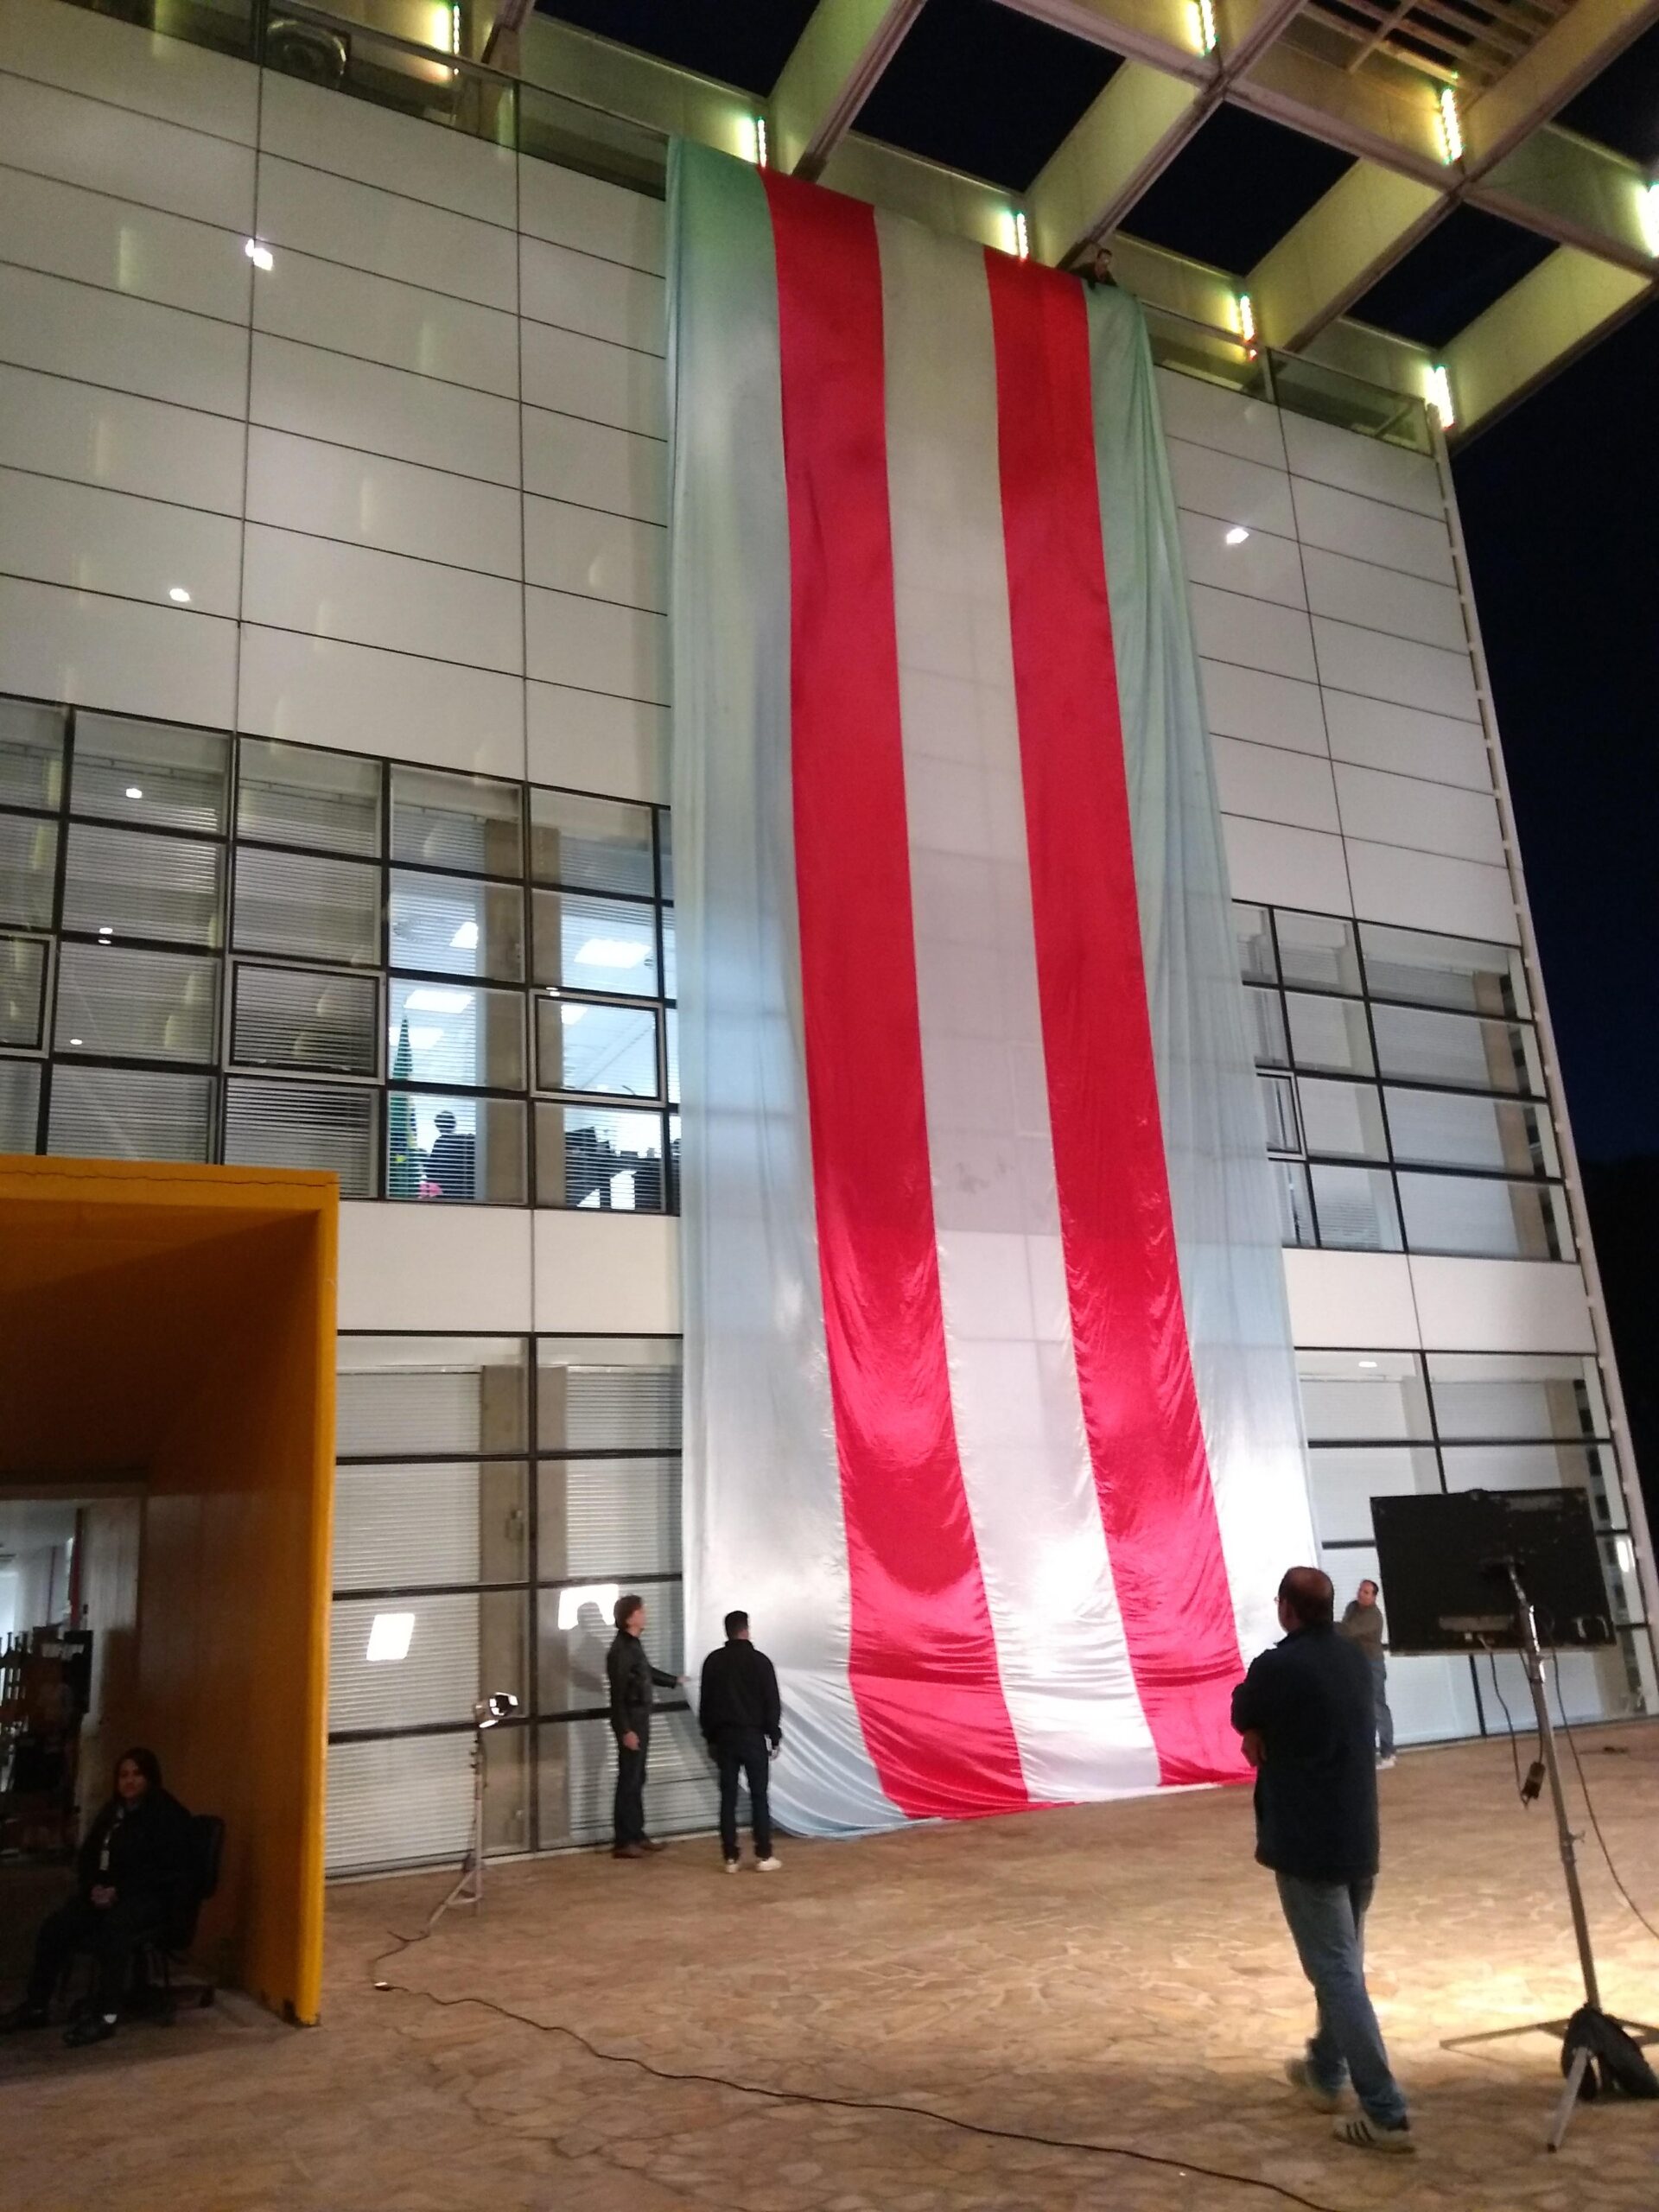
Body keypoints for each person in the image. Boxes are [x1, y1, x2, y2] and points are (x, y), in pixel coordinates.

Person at [1231, 1567, 1414, 2155]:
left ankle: (1385, 2111)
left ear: (1286, 1609)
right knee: (1344, 1966)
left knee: (1337, 1975)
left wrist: (1255, 1729)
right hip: (1358, 1837)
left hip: (1307, 1845)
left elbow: (1242, 1706)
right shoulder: (1354, 1660)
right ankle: (1325, 2072)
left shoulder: (1278, 1667)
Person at [2, 1747, 194, 2049]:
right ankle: (36, 2006)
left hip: (149, 1898)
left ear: (150, 1777)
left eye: (137, 1774)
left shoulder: (166, 1815)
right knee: (56, 1926)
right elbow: (90, 1856)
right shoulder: (112, 1812)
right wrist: (93, 1887)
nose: (129, 1781)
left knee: (114, 1930)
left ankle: (106, 2015)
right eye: (123, 1775)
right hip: (105, 1894)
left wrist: (120, 1891)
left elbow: (164, 1869)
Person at [698, 1611, 783, 1874]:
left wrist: (710, 1738)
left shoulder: (713, 1662)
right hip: (753, 1737)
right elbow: (772, 1703)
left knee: (728, 1798)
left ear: (727, 1631)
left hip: (725, 1738)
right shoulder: (761, 1662)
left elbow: (706, 1705)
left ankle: (731, 1858)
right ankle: (764, 1854)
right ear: (746, 1630)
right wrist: (774, 1736)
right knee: (759, 1796)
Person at [605, 1594, 682, 1860]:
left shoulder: (633, 1645)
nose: (645, 1615)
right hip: (631, 1721)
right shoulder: (621, 1651)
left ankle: (636, 1834)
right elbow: (617, 1695)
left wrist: (675, 1681)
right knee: (629, 1779)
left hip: (639, 1719)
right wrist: (625, 1730)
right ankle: (624, 1840)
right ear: (630, 1618)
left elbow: (646, 1672)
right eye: (641, 1611)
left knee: (638, 1777)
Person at [1338, 1579, 1395, 1769]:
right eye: (1360, 1590)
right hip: (1355, 1663)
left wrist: (1321, 1625)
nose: (1361, 1594)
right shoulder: (1352, 1607)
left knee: (1377, 1707)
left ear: (1374, 1597)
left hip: (1372, 1665)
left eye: (1366, 1592)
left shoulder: (1374, 1617)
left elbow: (1347, 1631)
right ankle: (1364, 1755)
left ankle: (1388, 1753)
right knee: (1359, 1709)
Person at [426, 1110, 475, 1201]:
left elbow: (430, 1171)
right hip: (469, 1192)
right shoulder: (468, 1140)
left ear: (438, 1127)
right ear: (454, 1124)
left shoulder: (440, 1143)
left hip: (449, 1192)